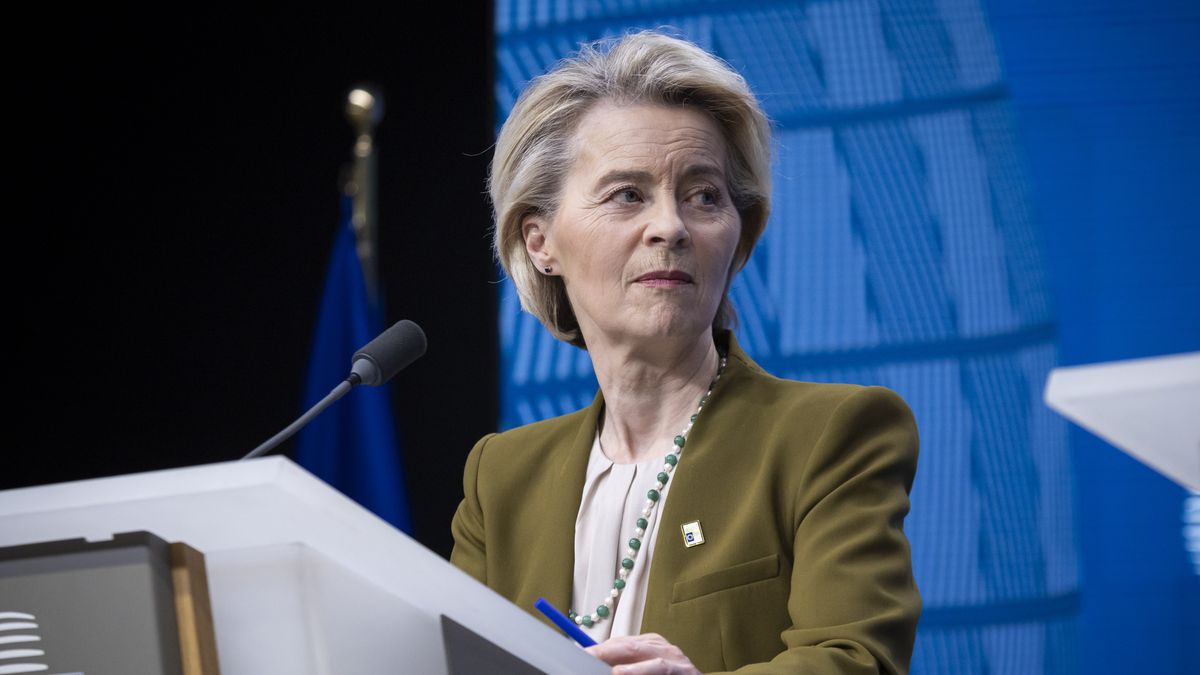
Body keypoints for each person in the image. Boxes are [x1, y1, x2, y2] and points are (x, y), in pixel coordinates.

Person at [451, 30, 920, 675]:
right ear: (540, 242)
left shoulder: (828, 435)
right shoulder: (501, 477)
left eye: (704, 196)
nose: (670, 226)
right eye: (627, 194)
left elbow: (857, 659)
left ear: (738, 237)